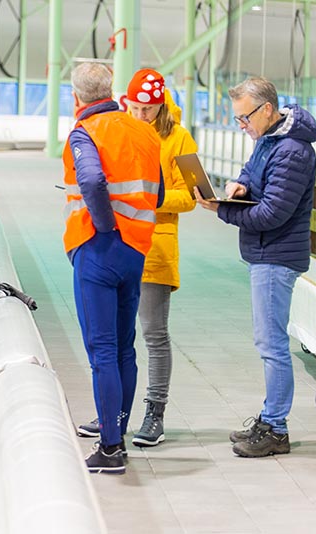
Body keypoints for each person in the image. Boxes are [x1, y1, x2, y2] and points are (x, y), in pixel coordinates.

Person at [194, 76, 316, 458]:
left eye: (244, 118)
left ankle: (276, 429)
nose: (241, 126)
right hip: (265, 253)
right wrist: (239, 186)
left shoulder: (293, 151)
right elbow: (252, 172)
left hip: (276, 256)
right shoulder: (269, 139)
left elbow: (273, 214)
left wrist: (222, 210)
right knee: (268, 341)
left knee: (272, 344)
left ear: (267, 109)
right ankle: (269, 418)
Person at [77, 69, 196, 448]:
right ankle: (114, 415)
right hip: (121, 246)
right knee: (114, 339)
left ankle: (154, 412)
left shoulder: (181, 138)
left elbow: (192, 195)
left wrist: (147, 200)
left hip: (157, 248)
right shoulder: (121, 129)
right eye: (136, 108)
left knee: (154, 335)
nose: (142, 115)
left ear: (161, 105)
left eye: (149, 109)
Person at [62, 62, 163, 474]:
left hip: (99, 250)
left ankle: (109, 448)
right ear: (111, 91)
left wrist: (104, 226)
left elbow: (91, 181)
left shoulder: (84, 132)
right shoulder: (144, 132)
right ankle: (116, 432)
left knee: (101, 351)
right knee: (124, 348)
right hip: (136, 251)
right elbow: (156, 193)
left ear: (75, 97)